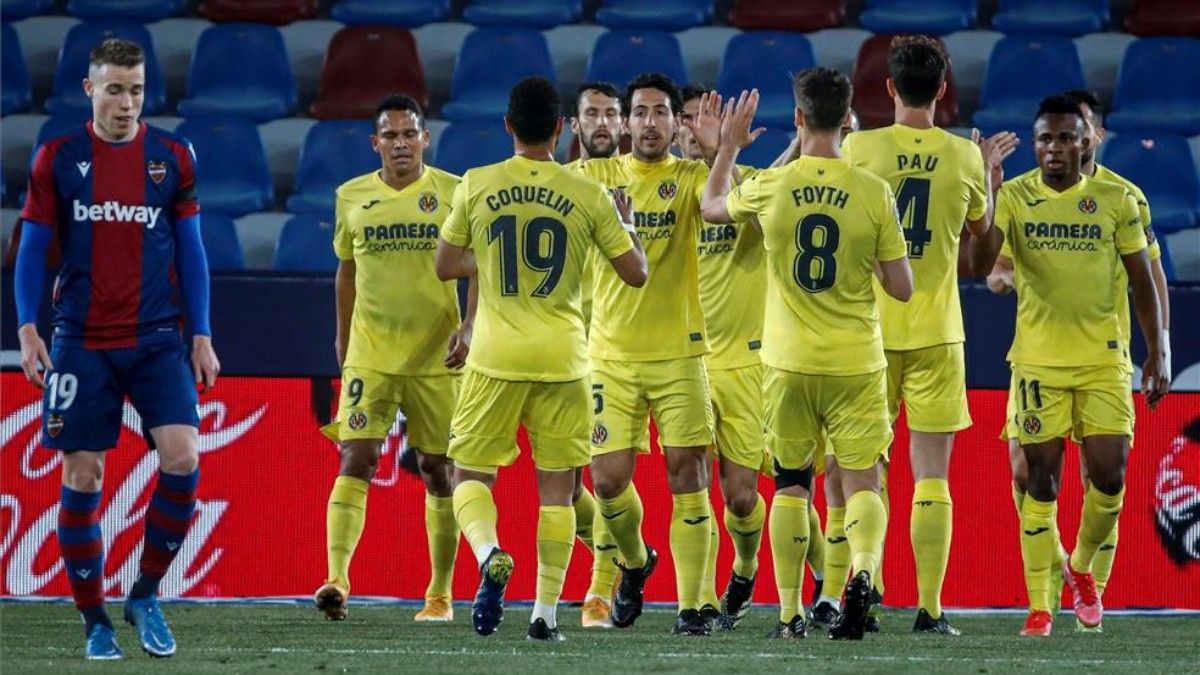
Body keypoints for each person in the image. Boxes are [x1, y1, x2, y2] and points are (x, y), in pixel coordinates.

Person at [14, 38, 220, 660]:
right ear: (89, 89)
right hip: (80, 342)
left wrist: (202, 333)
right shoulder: (59, 157)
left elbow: (191, 249)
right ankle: (96, 621)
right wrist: (28, 328)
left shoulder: (172, 156)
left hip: (158, 338)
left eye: (135, 89)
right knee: (84, 474)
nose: (127, 102)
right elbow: (30, 249)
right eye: (114, 89)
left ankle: (145, 594)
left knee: (183, 457)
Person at [701, 68, 914, 640]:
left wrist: (725, 149)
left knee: (793, 485)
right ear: (848, 119)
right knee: (863, 483)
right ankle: (861, 575)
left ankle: (792, 612)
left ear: (798, 118)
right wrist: (867, 256)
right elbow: (902, 288)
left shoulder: (774, 186)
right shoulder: (874, 192)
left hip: (788, 362)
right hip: (856, 361)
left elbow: (713, 206)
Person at [435, 76, 647, 641]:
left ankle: (488, 554)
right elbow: (635, 274)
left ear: (507, 126)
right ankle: (544, 614)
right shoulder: (589, 193)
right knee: (558, 491)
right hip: (565, 358)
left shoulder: (477, 184)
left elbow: (445, 264)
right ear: (561, 129)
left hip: (495, 357)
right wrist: (626, 224)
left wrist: (491, 261)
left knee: (468, 475)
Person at [831, 34, 1017, 635]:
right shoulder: (964, 157)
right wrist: (987, 181)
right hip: (938, 332)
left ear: (887, 87)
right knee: (931, 475)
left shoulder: (856, 149)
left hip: (867, 336)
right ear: (942, 89)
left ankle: (867, 582)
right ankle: (931, 609)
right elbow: (981, 258)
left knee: (864, 469)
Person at [970, 95, 1169, 637]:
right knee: (1041, 481)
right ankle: (1040, 606)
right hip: (1037, 363)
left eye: (1064, 138)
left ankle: (1080, 567)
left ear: (1088, 141)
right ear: (1034, 145)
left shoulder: (1119, 198)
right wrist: (986, 189)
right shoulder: (1013, 196)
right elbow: (976, 264)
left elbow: (1144, 279)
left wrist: (1159, 351)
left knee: (1110, 477)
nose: (1053, 148)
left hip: (1104, 361)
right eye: (1044, 139)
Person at [312, 94, 472, 624]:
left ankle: (440, 595)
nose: (400, 143)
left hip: (437, 356)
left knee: (437, 469)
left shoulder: (454, 192)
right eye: (390, 135)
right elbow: (347, 270)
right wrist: (341, 339)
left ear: (425, 139)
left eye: (410, 134)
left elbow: (480, 267)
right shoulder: (351, 196)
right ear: (374, 143)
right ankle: (337, 578)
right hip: (371, 354)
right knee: (355, 456)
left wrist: (470, 325)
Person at [573, 72, 722, 636]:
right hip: (610, 355)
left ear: (675, 123)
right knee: (608, 481)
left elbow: (727, 204)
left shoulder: (690, 178)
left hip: (680, 355)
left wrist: (716, 151)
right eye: (641, 113)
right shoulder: (595, 176)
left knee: (689, 476)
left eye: (663, 112)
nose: (651, 123)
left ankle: (690, 608)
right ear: (624, 122)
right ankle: (635, 562)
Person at [676, 83, 771, 631]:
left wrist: (723, 155)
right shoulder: (664, 190)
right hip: (685, 362)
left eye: (705, 119)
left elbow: (759, 227)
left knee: (740, 498)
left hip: (744, 362)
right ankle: (699, 599)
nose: (694, 128)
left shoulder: (754, 184)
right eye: (687, 119)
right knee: (690, 479)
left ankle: (747, 563)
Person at [563, 81, 625, 629]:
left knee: (607, 478)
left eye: (610, 114)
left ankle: (599, 592)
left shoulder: (644, 178)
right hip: (561, 348)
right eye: (592, 114)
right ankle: (627, 555)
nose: (602, 123)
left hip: (619, 350)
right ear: (574, 125)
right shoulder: (560, 185)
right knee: (573, 481)